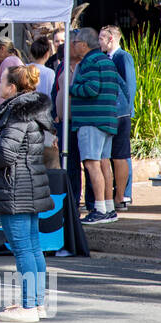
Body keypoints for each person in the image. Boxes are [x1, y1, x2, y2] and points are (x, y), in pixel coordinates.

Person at [0, 64, 56, 322]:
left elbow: (6, 154)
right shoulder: (34, 110)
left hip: (16, 185)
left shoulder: (16, 113)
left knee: (23, 248)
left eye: (3, 81)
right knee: (33, 247)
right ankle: (36, 303)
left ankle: (28, 306)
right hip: (32, 182)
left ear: (12, 88)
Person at [68, 27, 121, 224]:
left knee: (91, 164)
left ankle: (99, 208)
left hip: (91, 120)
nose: (72, 47)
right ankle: (108, 207)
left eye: (74, 43)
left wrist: (71, 89)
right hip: (107, 118)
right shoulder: (106, 60)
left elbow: (91, 88)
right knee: (104, 162)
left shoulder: (89, 61)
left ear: (82, 44)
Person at [99, 26, 136, 209]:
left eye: (102, 38)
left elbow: (130, 85)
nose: (99, 42)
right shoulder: (107, 57)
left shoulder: (123, 57)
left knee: (121, 154)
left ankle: (124, 194)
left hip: (121, 112)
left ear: (111, 39)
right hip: (111, 111)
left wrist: (128, 109)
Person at [0, 39, 23, 107]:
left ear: (2, 48)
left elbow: (7, 90)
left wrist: (0, 111)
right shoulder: (14, 60)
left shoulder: (8, 61)